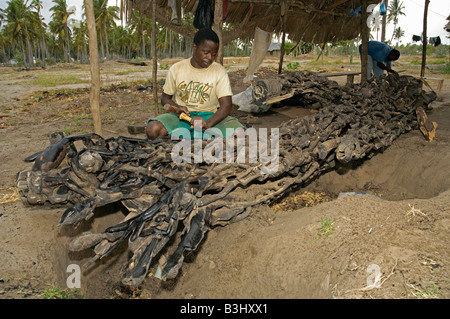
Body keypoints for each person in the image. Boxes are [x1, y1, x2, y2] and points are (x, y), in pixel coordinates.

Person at [145, 28, 244, 140]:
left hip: (210, 117)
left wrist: (207, 123)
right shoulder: (177, 68)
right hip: (183, 118)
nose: (210, 58)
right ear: (194, 47)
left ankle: (188, 138)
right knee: (153, 129)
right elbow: (164, 99)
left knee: (240, 134)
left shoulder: (219, 71)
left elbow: (226, 105)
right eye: (206, 53)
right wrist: (178, 108)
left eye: (214, 54)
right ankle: (193, 137)